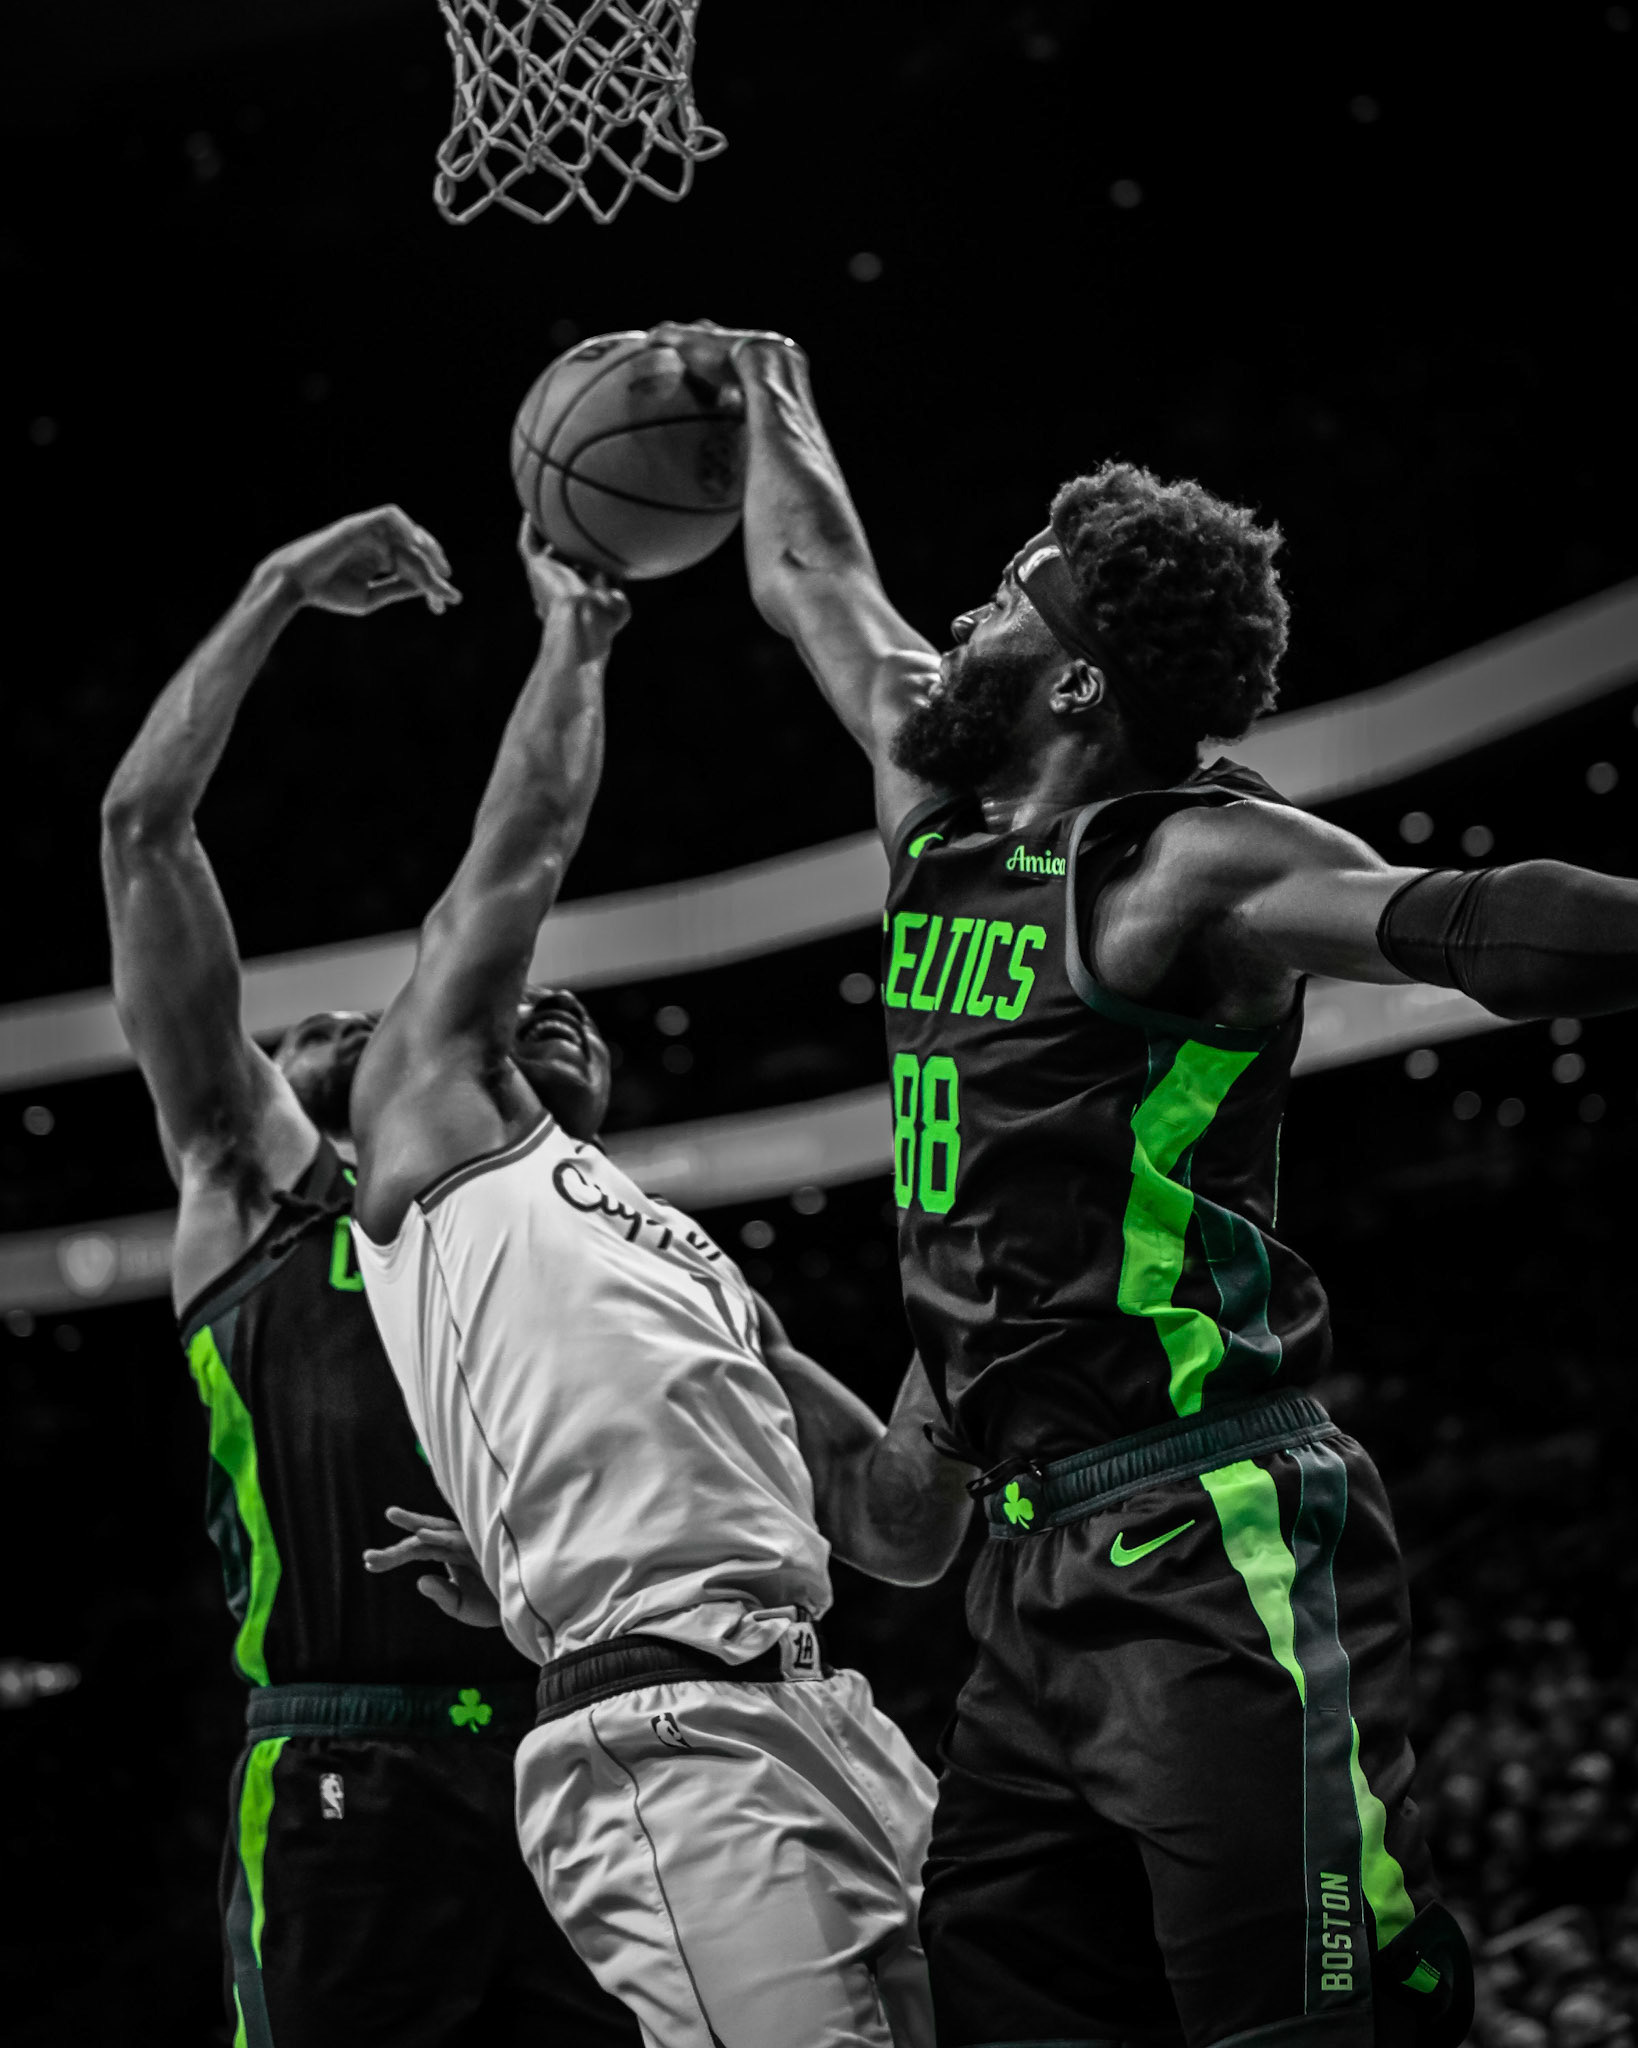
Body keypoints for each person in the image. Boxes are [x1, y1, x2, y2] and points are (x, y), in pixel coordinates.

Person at [650, 318, 1638, 2048]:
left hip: (1207, 1534)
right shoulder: (938, 820)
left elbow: (1467, 925)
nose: (957, 622)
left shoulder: (1192, 863)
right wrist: (770, 399)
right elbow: (815, 576)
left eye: (1002, 605)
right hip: (1021, 1578)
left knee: (1316, 2028)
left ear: (1082, 681)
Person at [347, 519, 973, 2048]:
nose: (549, 992)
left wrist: (969, 1278)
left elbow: (900, 1526)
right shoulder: (434, 1132)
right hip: (656, 1737)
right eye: (515, 1000)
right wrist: (574, 642)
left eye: (584, 1008)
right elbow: (513, 870)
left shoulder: (688, 1260)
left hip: (832, 1709)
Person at [100, 506, 642, 2048]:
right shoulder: (262, 1194)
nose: (546, 1002)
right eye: (322, 1034)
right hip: (355, 1752)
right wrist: (274, 586)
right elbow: (143, 831)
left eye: (568, 1013)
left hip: (586, 1740)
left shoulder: (616, 1252)